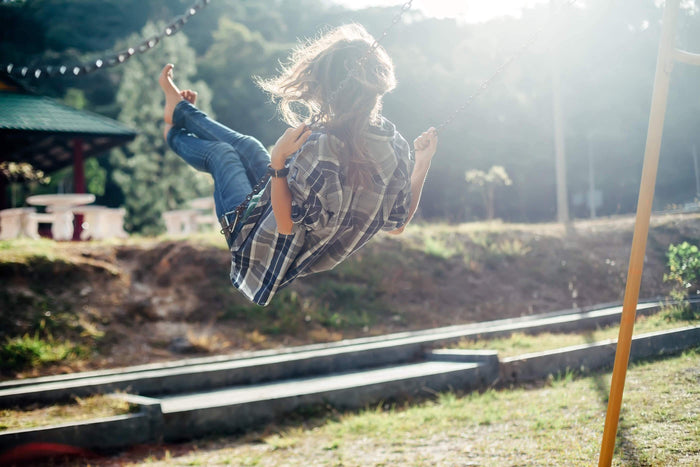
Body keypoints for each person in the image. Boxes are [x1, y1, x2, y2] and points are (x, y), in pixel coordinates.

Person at [159, 24, 438, 306]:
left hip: (261, 247)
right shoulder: (395, 145)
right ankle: (181, 111)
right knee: (250, 147)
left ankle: (171, 132)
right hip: (279, 217)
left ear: (327, 88)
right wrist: (422, 163)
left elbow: (286, 224)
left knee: (223, 156)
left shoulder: (322, 148)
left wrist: (279, 162)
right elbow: (398, 223)